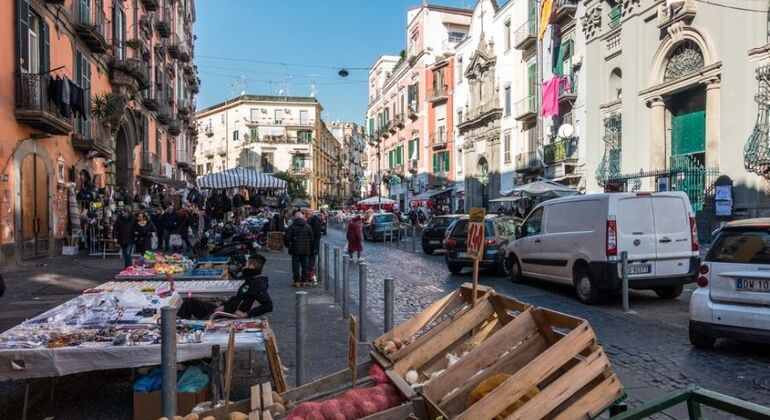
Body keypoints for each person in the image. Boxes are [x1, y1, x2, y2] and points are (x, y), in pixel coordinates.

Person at [177, 254, 273, 319]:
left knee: (188, 304)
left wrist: (246, 314)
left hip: (225, 316)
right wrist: (223, 306)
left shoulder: (256, 284)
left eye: (246, 264)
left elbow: (268, 306)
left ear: (251, 266)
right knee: (189, 302)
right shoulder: (251, 280)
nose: (244, 266)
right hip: (223, 309)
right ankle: (180, 328)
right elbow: (236, 300)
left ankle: (180, 330)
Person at [284, 210, 314, 288]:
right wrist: (309, 246)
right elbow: (311, 239)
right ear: (302, 217)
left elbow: (287, 237)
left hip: (295, 249)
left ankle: (297, 281)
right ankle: (304, 281)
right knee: (305, 266)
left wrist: (287, 245)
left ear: (295, 217)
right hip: (305, 250)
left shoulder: (292, 226)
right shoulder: (308, 226)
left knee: (295, 266)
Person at [305, 209, 322, 283]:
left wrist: (315, 246)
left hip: (313, 245)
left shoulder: (315, 222)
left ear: (311, 214)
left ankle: (311, 277)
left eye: (307, 214)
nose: (306, 216)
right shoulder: (311, 221)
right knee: (310, 262)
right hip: (310, 245)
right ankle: (310, 276)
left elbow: (317, 235)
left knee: (311, 262)